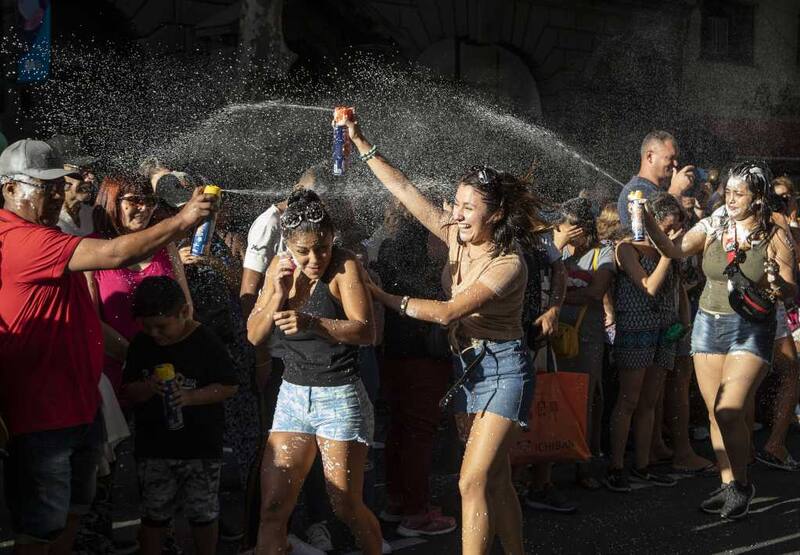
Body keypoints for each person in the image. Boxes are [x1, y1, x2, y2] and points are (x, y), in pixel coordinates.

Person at [0, 139, 215, 555]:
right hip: (44, 414)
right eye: (45, 187)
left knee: (73, 514)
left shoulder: (44, 232)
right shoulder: (21, 238)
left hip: (80, 404)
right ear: (10, 189)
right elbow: (115, 254)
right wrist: (185, 217)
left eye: (58, 185)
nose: (58, 195)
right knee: (40, 529)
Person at [345, 114, 548, 554]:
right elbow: (403, 190)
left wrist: (380, 295)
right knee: (496, 482)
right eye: (455, 204)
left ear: (494, 214)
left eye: (468, 207)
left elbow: (448, 311)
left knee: (470, 481)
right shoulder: (456, 237)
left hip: (504, 370)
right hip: (466, 368)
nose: (456, 214)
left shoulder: (509, 263)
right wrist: (363, 143)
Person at [644, 161, 797, 519]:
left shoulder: (775, 234)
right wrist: (647, 220)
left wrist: (777, 283)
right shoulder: (714, 224)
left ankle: (742, 483)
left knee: (729, 411)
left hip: (752, 329)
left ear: (757, 197)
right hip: (708, 325)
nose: (729, 198)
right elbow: (675, 250)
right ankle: (730, 485)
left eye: (738, 193)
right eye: (727, 191)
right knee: (717, 413)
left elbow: (792, 290)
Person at [247, 190, 383, 554]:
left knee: (346, 506)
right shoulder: (279, 267)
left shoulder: (344, 265)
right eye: (304, 250)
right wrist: (276, 294)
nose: (314, 259)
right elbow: (254, 334)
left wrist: (312, 322)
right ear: (288, 244)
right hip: (292, 395)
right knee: (273, 507)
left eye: (321, 247)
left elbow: (367, 331)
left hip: (339, 395)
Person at [122, 276, 239, 555]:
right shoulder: (142, 344)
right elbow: (129, 389)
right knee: (154, 513)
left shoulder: (206, 341)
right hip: (154, 448)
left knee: (203, 513)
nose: (156, 335)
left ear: (184, 312)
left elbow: (229, 385)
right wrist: (148, 387)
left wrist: (190, 397)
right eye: (148, 327)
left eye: (162, 327)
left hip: (200, 447)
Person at [374, 206, 457, 536]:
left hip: (394, 347)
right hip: (424, 348)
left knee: (399, 428)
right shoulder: (431, 240)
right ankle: (417, 513)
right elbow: (445, 286)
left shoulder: (388, 243)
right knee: (420, 432)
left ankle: (398, 501)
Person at [604, 192, 683, 493]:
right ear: (653, 223)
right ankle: (615, 465)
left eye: (678, 226)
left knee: (650, 402)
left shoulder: (670, 251)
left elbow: (679, 289)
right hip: (635, 328)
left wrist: (683, 320)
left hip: (665, 328)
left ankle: (643, 463)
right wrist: (667, 252)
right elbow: (649, 287)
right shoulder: (627, 249)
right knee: (629, 400)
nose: (675, 232)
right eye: (670, 226)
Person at [88, 173, 193, 393]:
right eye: (134, 200)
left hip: (170, 368)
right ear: (112, 201)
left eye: (150, 201)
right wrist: (138, 358)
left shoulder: (165, 247)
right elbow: (91, 321)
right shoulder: (91, 251)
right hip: (119, 372)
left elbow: (186, 308)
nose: (144, 208)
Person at [551, 197, 615, 490]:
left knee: (586, 398)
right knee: (554, 397)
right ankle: (553, 457)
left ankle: (584, 463)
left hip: (586, 335)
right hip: (555, 333)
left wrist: (560, 298)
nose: (572, 233)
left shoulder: (603, 253)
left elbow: (597, 290)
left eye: (575, 228)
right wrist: (557, 244)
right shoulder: (555, 252)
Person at [753, 176, 800, 471]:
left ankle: (742, 452)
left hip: (740, 308)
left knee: (746, 377)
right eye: (780, 198)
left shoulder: (737, 217)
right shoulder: (778, 225)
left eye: (789, 197)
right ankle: (774, 445)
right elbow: (789, 282)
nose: (786, 203)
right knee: (790, 372)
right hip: (769, 308)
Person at [616, 131, 695, 229]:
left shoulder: (654, 190)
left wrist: (699, 209)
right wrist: (676, 190)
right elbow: (662, 229)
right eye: (670, 158)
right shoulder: (637, 191)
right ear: (650, 157)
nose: (675, 163)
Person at [56, 157, 97, 237]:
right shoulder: (49, 215)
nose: (91, 178)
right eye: (82, 172)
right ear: (63, 177)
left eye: (91, 172)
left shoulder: (92, 214)